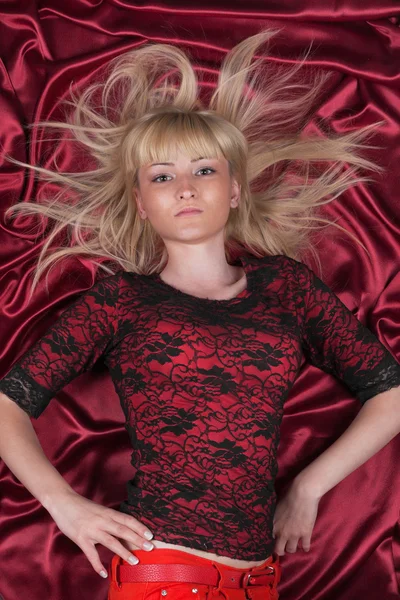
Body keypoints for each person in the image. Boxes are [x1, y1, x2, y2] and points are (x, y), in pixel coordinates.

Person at [1, 28, 400, 600]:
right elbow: (7, 403)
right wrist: (65, 506)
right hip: (159, 572)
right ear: (142, 203)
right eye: (162, 176)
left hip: (261, 581)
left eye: (204, 170)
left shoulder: (286, 286)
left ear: (235, 189)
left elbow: (390, 392)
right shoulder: (121, 300)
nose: (185, 188)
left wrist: (309, 488)